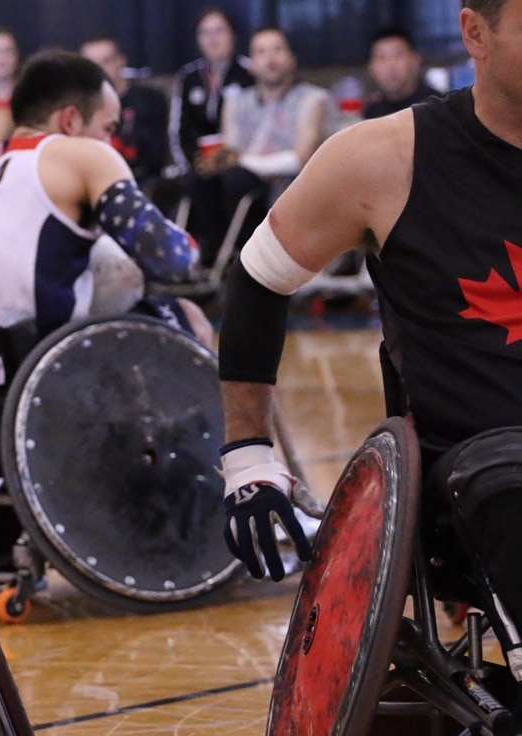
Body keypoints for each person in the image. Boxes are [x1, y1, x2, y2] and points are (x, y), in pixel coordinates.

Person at [217, 0, 522, 679]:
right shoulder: (385, 157)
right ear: (475, 32)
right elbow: (258, 279)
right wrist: (247, 457)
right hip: (473, 479)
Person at [0, 50, 210, 345]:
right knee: (189, 316)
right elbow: (170, 259)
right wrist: (194, 252)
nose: (110, 142)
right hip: (37, 349)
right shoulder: (81, 154)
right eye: (108, 128)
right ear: (70, 120)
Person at [186, 27, 329, 267]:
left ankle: (251, 259)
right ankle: (213, 258)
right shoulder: (236, 102)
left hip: (291, 184)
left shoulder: (313, 99)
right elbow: (230, 153)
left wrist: (241, 161)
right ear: (251, 64)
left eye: (277, 50)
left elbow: (300, 158)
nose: (270, 58)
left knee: (236, 179)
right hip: (244, 181)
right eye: (261, 52)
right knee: (197, 179)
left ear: (291, 59)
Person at [79, 34, 172, 191]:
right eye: (91, 64)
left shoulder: (149, 99)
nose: (98, 70)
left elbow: (155, 160)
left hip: (139, 183)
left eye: (106, 61)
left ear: (121, 61)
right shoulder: (77, 108)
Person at [169, 7, 253, 173]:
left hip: (239, 162)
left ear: (233, 35)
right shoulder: (188, 77)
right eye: (205, 33)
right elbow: (178, 130)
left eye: (219, 31)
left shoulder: (249, 72)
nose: (212, 38)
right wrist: (190, 167)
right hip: (198, 164)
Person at [364, 27, 440, 120]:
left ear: (416, 60)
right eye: (381, 57)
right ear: (371, 68)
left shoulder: (437, 107)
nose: (390, 66)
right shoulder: (372, 112)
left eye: (398, 55)